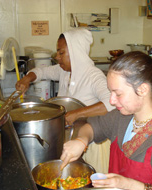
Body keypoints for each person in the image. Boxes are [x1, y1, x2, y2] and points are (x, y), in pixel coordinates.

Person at [60, 51, 152, 190]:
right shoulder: (121, 118)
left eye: (117, 94)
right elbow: (91, 127)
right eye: (110, 92)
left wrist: (129, 185)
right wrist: (81, 141)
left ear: (143, 89)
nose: (111, 101)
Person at [16, 28, 114, 173]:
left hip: (92, 145)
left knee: (92, 183)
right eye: (57, 52)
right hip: (70, 141)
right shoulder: (64, 71)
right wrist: (27, 79)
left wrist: (76, 114)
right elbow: (41, 71)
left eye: (61, 53)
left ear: (76, 52)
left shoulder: (94, 76)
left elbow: (111, 103)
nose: (57, 57)